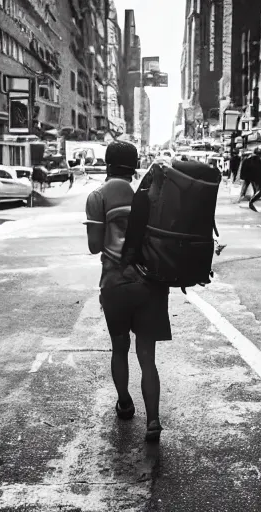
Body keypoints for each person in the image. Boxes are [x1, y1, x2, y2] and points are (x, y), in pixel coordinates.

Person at [84, 141, 171, 443]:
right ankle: (154, 420)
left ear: (107, 165)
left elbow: (95, 245)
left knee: (119, 348)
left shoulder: (97, 196)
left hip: (115, 284)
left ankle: (124, 403)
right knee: (147, 356)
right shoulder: (147, 196)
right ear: (134, 167)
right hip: (149, 283)